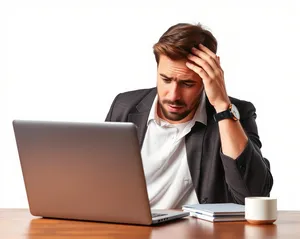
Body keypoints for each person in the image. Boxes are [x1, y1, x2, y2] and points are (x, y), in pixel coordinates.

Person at [105, 23, 273, 209]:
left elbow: (254, 196)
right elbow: (100, 181)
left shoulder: (236, 113)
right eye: (166, 80)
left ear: (207, 79)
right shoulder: (125, 107)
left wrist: (222, 107)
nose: (173, 95)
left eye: (187, 84)